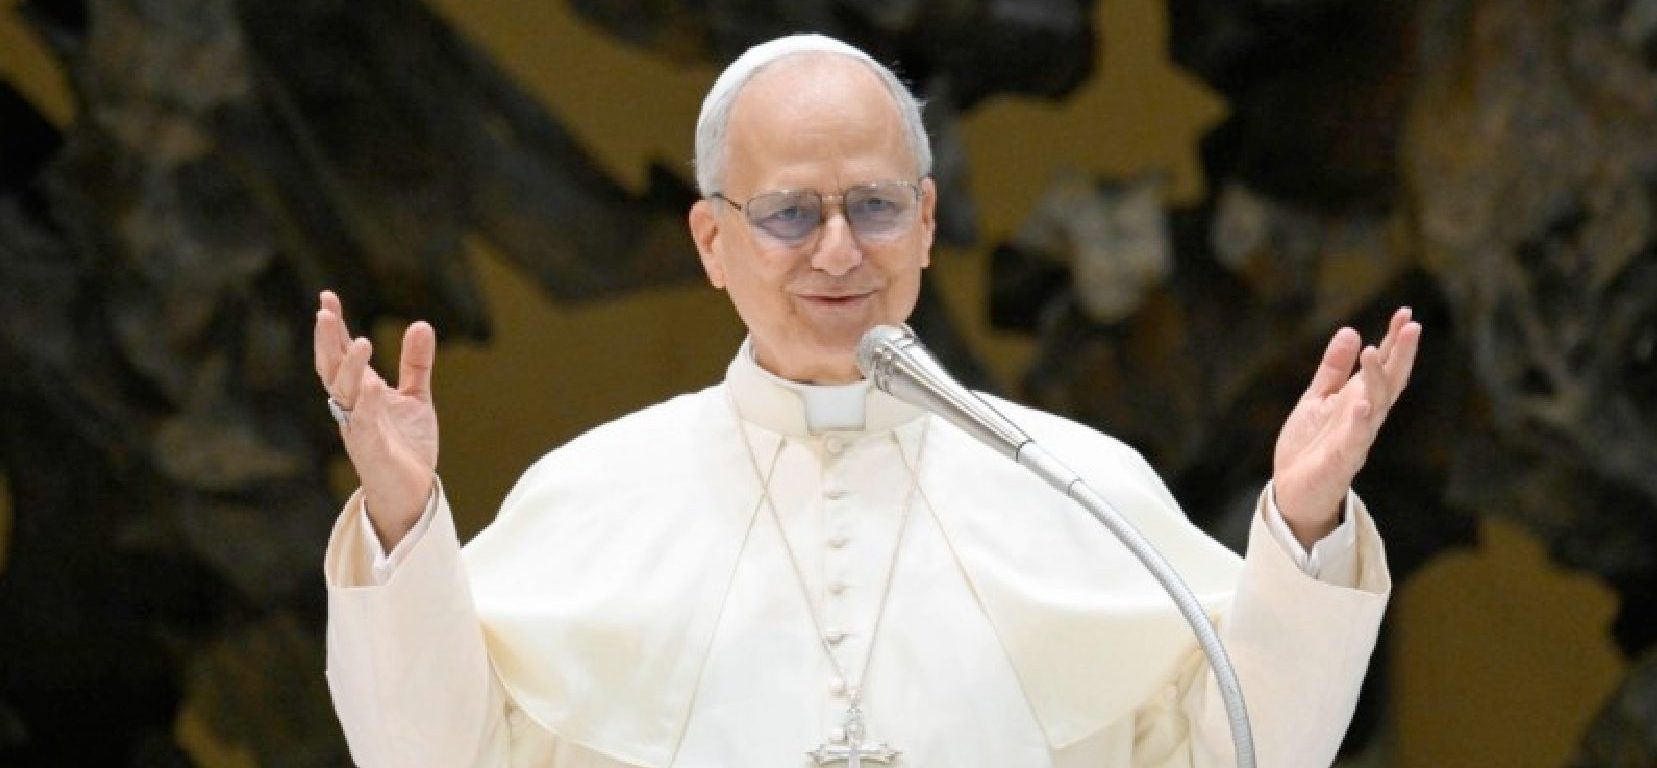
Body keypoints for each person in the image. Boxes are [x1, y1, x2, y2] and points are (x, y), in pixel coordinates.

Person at [315, 34, 1420, 768]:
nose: (838, 251)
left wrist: (1303, 521)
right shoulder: (592, 494)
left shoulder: (1075, 483)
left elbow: (1239, 753)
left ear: (928, 224)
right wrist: (404, 521)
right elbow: (431, 757)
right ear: (711, 241)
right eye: (789, 214)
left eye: (876, 207)